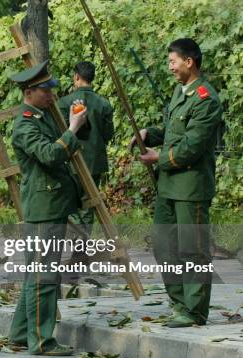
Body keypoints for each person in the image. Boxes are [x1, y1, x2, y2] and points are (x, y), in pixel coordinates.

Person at [130, 38, 222, 328]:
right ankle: (179, 303)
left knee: (192, 249)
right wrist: (150, 133)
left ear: (189, 62)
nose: (170, 67)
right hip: (168, 186)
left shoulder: (206, 99)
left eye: (173, 61)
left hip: (190, 188)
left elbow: (193, 146)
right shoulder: (179, 92)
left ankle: (194, 311)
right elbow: (175, 133)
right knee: (164, 245)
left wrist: (158, 158)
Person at [7, 61, 87, 356]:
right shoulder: (25, 124)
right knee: (45, 277)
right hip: (44, 208)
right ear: (29, 92)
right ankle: (41, 341)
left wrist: (73, 122)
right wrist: (73, 128)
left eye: (52, 89)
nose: (51, 94)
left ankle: (19, 334)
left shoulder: (42, 116)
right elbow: (51, 154)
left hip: (52, 204)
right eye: (45, 90)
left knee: (36, 274)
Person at [58, 61, 114, 240]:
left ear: (76, 77)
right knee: (89, 204)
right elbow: (108, 134)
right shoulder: (104, 104)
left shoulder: (64, 103)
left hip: (70, 161)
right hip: (95, 162)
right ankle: (83, 242)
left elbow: (61, 133)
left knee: (69, 203)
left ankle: (77, 237)